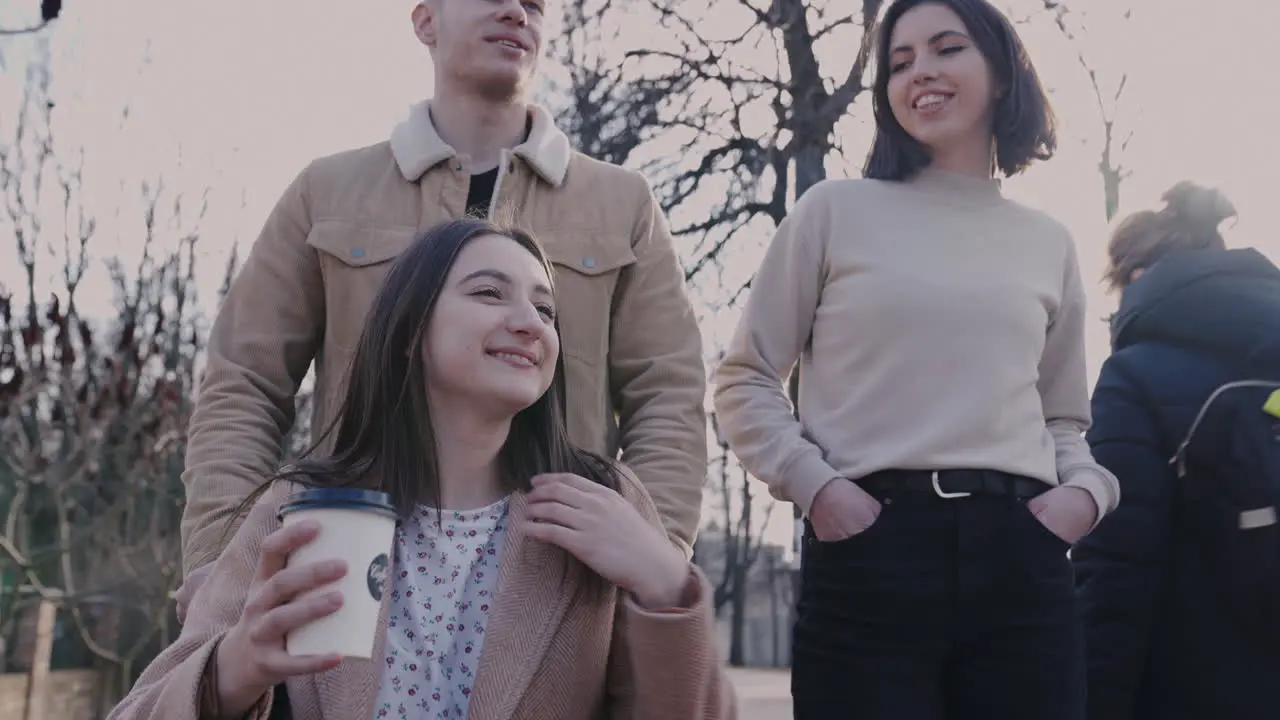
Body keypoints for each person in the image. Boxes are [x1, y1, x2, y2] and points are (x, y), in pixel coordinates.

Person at [173, 0, 707, 619]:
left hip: (557, 580)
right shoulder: (327, 191)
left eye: (535, 4)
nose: (516, 11)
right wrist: (220, 562)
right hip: (345, 568)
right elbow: (244, 381)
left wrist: (650, 559)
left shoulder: (623, 204)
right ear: (426, 21)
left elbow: (669, 397)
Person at [109, 219, 734, 720]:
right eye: (489, 292)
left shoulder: (604, 504)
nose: (529, 322)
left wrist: (665, 584)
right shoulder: (300, 508)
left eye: (546, 310)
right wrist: (232, 671)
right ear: (410, 331)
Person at [712, 1, 1120, 717]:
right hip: (870, 550)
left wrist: (1086, 496)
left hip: (1022, 558)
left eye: (945, 48)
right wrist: (819, 489)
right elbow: (745, 378)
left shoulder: (1048, 240)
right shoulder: (833, 212)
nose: (920, 72)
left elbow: (1062, 420)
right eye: (899, 62)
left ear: (1000, 72)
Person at [1073, 183, 1280, 720]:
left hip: (1190, 685)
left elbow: (1115, 566)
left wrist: (1096, 702)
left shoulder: (1135, 375)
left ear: (1138, 279)